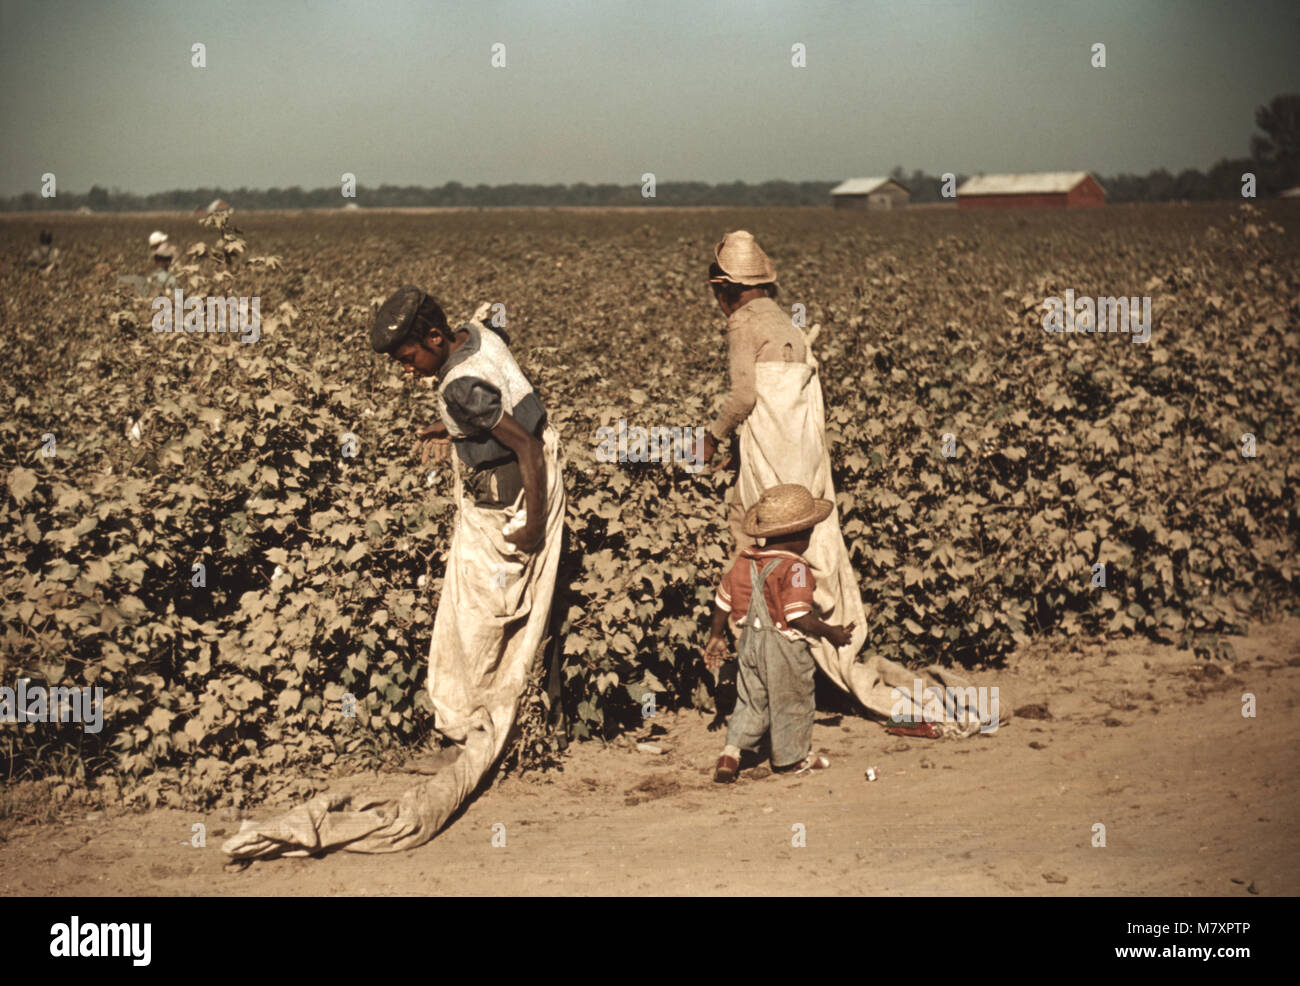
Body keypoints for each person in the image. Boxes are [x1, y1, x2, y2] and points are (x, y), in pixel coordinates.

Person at [704, 483, 854, 782]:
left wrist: (716, 636)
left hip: (749, 642)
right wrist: (831, 632)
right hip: (784, 646)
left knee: (750, 699)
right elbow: (798, 616)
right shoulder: (796, 569)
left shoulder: (744, 560)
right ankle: (791, 759)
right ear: (799, 536)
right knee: (793, 700)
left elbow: (722, 600)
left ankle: (731, 754)